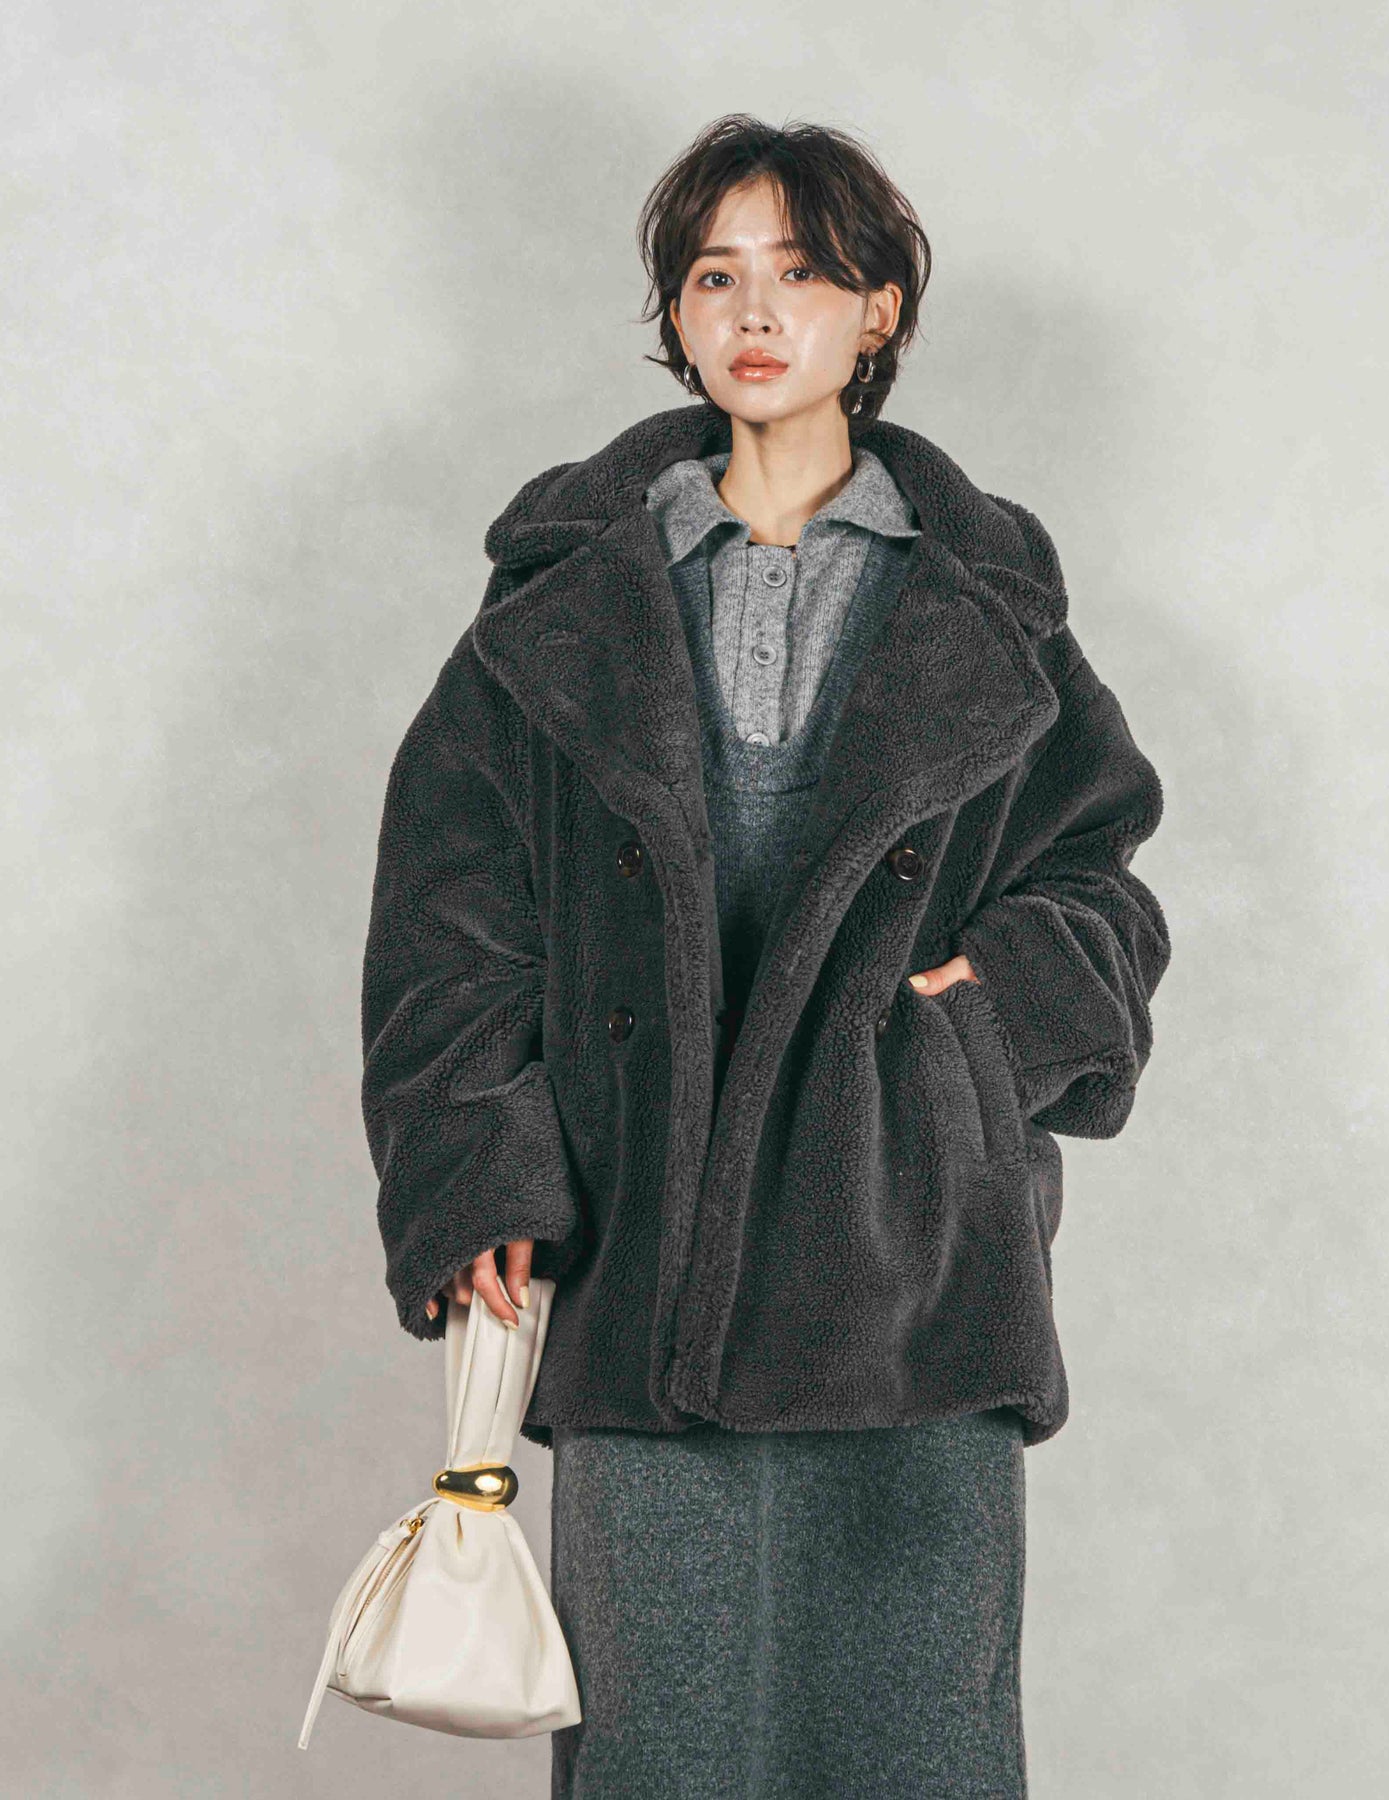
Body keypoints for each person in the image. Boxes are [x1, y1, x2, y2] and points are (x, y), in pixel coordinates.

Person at [359, 113, 1171, 1798]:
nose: (753, 310)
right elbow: (452, 915)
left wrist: (980, 1032)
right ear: (674, 313)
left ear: (878, 311)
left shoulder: (987, 605)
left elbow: (1098, 875)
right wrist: (479, 1165)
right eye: (714, 275)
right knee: (660, 1754)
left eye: (800, 273)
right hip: (640, 1255)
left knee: (917, 1750)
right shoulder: (560, 607)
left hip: (911, 1263)